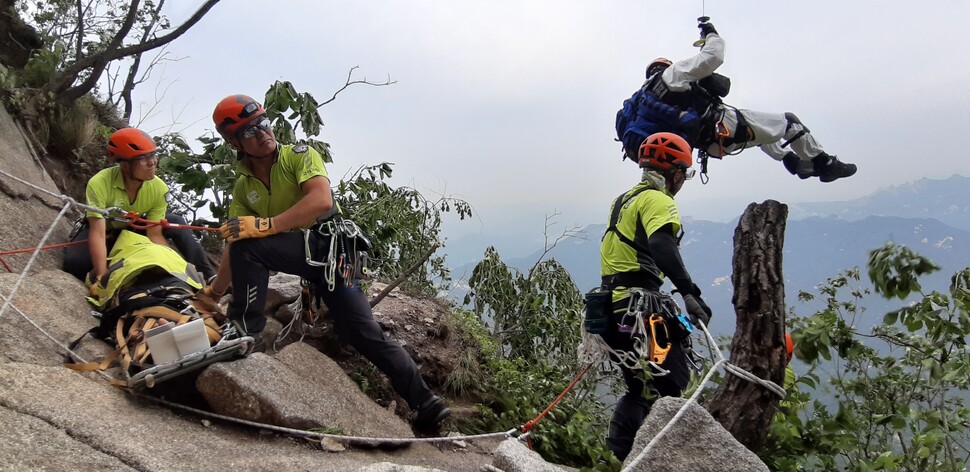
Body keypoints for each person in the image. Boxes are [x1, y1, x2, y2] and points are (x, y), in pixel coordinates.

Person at [206, 94, 450, 434]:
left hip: (329, 248)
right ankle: (246, 332)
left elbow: (320, 200)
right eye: (250, 130)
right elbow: (235, 240)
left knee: (360, 332)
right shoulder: (244, 188)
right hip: (310, 257)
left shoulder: (298, 156)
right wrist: (213, 292)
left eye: (264, 123)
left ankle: (425, 402)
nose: (263, 133)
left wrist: (267, 225)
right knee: (246, 243)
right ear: (234, 142)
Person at [617, 20, 857, 183]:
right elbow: (712, 58)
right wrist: (711, 34)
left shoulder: (643, 99)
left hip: (710, 143)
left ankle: (793, 162)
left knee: (760, 132)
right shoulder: (673, 74)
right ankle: (824, 164)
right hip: (723, 127)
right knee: (789, 123)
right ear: (665, 66)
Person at [598, 132, 713, 461]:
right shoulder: (660, 201)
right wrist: (689, 293)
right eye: (685, 175)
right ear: (676, 173)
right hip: (642, 314)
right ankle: (647, 462)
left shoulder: (623, 200)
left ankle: (618, 458)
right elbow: (662, 245)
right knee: (671, 385)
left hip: (614, 310)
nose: (683, 182)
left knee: (641, 387)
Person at [63, 128, 216, 283]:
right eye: (143, 158)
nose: (152, 162)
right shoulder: (100, 183)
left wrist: (176, 269)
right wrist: (102, 277)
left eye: (153, 155)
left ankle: (209, 276)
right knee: (75, 264)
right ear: (125, 164)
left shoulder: (159, 188)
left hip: (135, 229)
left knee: (176, 221)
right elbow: (98, 233)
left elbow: (154, 234)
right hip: (106, 232)